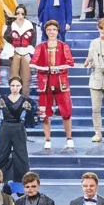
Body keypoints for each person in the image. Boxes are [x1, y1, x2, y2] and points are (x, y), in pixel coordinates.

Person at [32, 19, 76, 152]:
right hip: (45, 82)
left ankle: (69, 138)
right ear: (46, 32)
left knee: (66, 111)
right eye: (49, 30)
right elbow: (33, 62)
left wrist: (59, 68)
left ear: (57, 31)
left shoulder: (64, 46)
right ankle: (48, 140)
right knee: (45, 112)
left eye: (54, 30)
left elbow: (70, 63)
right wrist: (45, 68)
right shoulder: (40, 47)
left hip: (61, 81)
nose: (51, 32)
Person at [0, 79, 37, 189]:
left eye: (17, 85)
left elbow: (32, 117)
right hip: (5, 128)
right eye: (12, 85)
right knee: (3, 153)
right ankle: (0, 180)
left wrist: (30, 110)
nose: (15, 88)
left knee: (21, 154)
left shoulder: (27, 100)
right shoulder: (2, 99)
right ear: (9, 86)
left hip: (18, 129)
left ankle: (25, 181)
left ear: (21, 86)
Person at [5, 4, 36, 96]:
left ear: (25, 15)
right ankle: (14, 97)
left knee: (26, 78)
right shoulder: (11, 26)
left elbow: (33, 41)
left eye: (22, 14)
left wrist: (29, 50)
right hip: (15, 51)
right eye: (18, 13)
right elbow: (7, 39)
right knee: (14, 77)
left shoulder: (30, 26)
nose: (20, 16)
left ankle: (25, 98)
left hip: (26, 52)